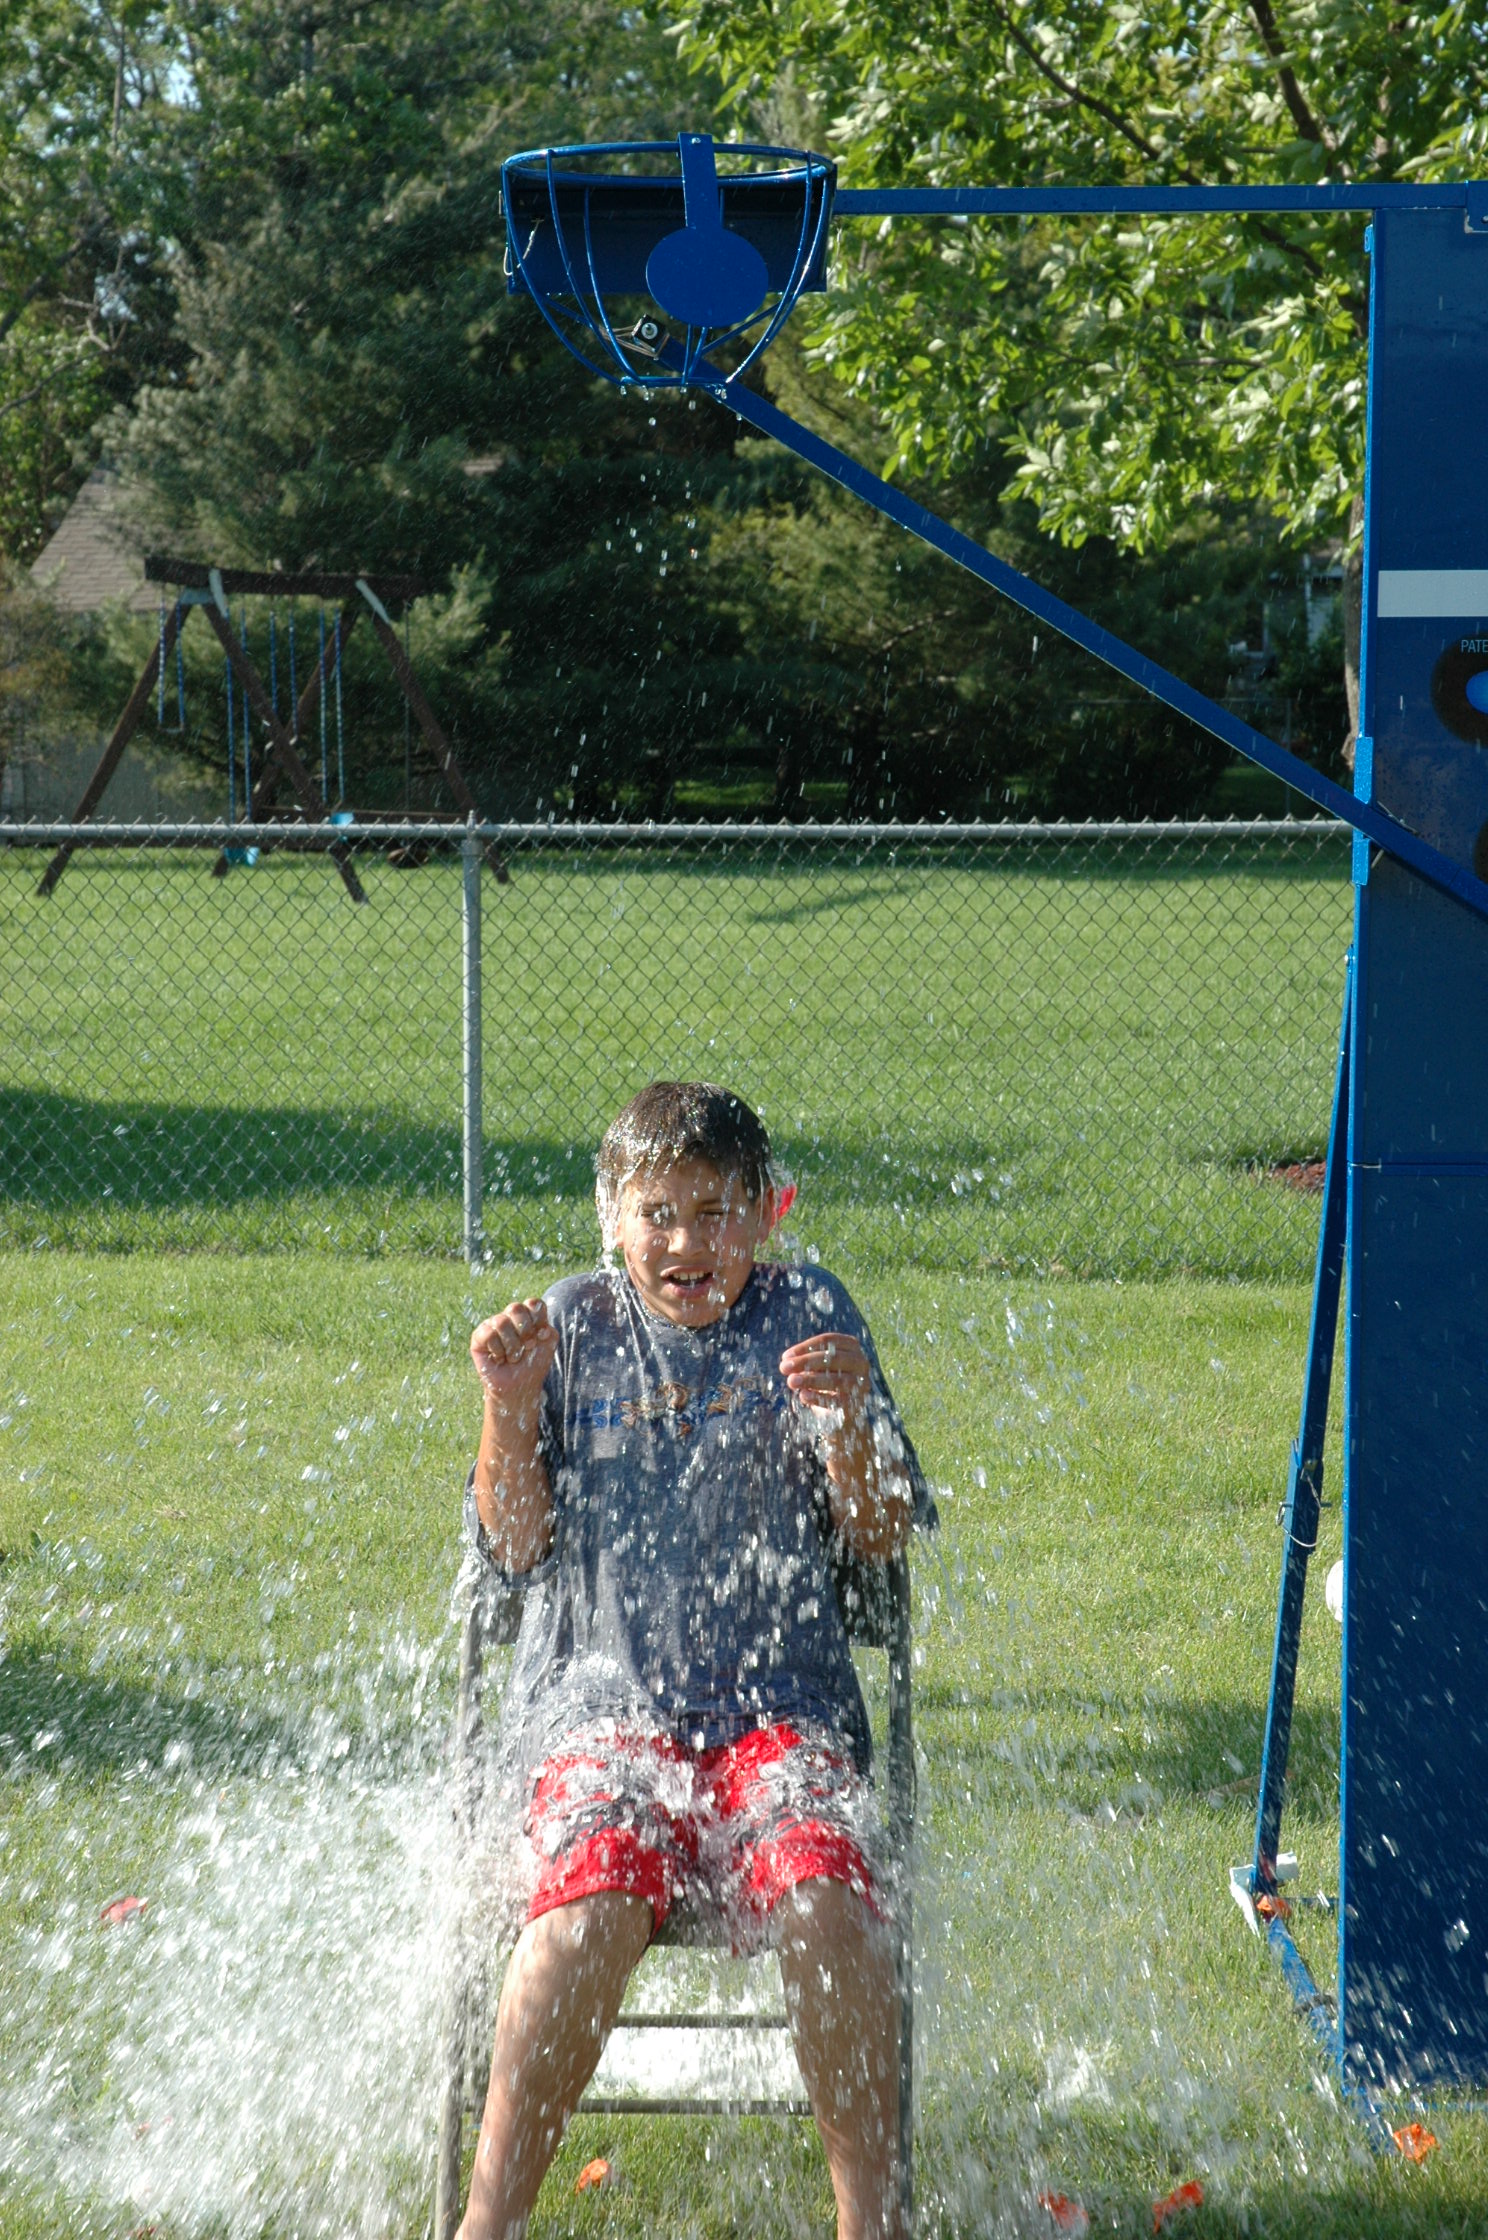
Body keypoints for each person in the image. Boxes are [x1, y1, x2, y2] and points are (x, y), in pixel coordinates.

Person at [456, 1081, 930, 2240]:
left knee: (827, 1904)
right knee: (591, 1901)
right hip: (600, 1718)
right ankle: (485, 2224)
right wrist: (510, 1407)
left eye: (716, 1211)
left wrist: (848, 1424)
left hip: (783, 1720)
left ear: (767, 1210)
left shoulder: (811, 1313)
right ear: (611, 1217)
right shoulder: (571, 1325)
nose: (687, 1242)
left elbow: (879, 1538)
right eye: (658, 1212)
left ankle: (872, 2225)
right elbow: (513, 1549)